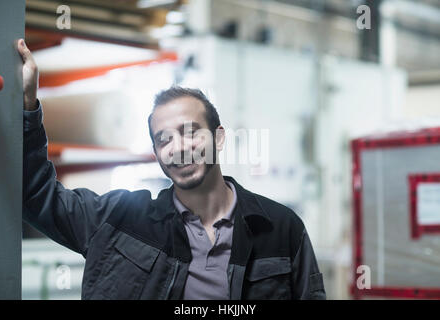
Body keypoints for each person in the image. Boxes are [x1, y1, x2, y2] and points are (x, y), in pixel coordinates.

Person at [18, 38, 326, 300]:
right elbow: (38, 197)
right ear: (156, 153)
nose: (178, 147)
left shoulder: (281, 229)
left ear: (218, 138)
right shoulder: (117, 220)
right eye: (164, 139)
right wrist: (28, 104)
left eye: (191, 132)